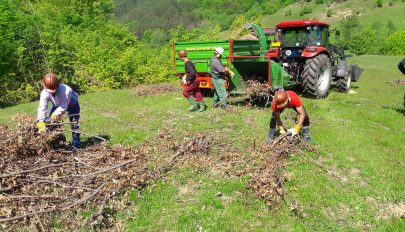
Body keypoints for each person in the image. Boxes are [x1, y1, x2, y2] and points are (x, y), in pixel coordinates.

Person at [36, 73, 81, 149]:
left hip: (72, 105)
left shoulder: (66, 91)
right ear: (44, 86)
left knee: (74, 124)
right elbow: (42, 108)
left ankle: (76, 145)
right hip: (57, 105)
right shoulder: (44, 93)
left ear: (58, 85)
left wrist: (54, 116)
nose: (51, 92)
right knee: (52, 125)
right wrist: (41, 122)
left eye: (53, 91)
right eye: (50, 91)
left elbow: (63, 107)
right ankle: (56, 143)